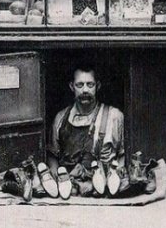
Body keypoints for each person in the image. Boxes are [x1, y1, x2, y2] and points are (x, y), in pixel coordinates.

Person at [44, 65, 125, 197]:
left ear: (98, 86)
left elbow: (123, 155)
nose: (85, 90)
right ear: (72, 87)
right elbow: (52, 155)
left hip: (103, 188)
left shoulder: (114, 117)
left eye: (90, 84)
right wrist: (57, 182)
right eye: (80, 85)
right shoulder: (60, 118)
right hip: (69, 189)